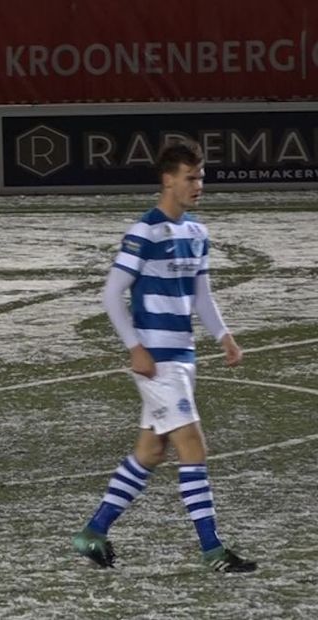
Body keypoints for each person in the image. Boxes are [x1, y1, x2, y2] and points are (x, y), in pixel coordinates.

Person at [72, 139, 257, 573]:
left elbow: (202, 296)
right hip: (157, 361)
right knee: (193, 445)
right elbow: (112, 294)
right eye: (191, 178)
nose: (199, 185)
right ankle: (212, 550)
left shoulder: (196, 233)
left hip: (183, 357)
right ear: (168, 179)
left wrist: (224, 336)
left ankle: (92, 533)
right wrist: (135, 347)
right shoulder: (144, 233)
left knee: (152, 452)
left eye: (201, 177)